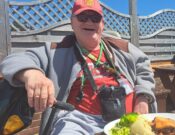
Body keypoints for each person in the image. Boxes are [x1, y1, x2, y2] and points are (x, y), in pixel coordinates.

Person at [0, 0, 156, 134]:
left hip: (129, 117)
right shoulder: (56, 50)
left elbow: (143, 67)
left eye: (95, 17)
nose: (89, 22)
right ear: (72, 22)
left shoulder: (122, 47)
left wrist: (143, 97)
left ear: (102, 24)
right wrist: (33, 75)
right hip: (80, 121)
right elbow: (12, 60)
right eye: (82, 17)